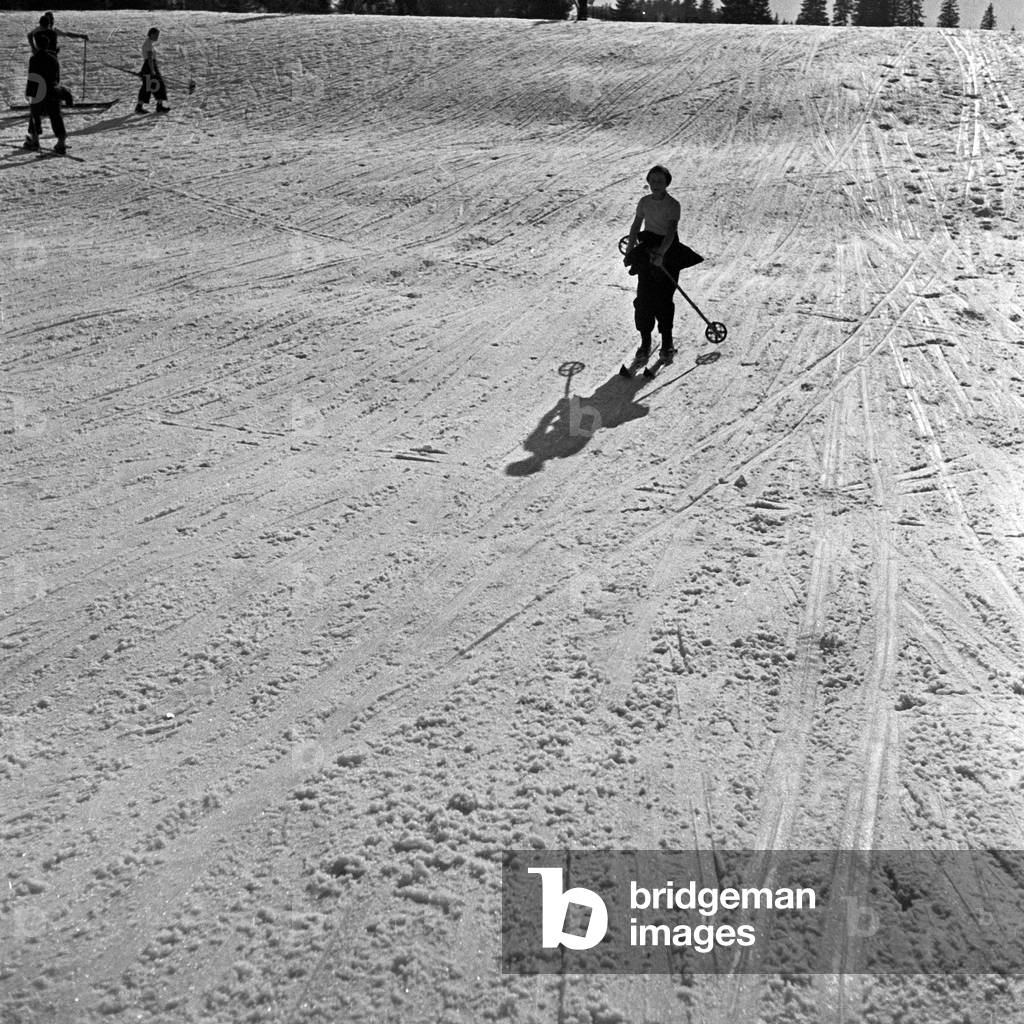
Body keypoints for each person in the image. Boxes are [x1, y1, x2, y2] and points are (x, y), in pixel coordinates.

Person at [621, 165, 703, 363]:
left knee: (664, 300)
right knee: (643, 299)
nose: (656, 184)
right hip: (648, 250)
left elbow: (671, 232)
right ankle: (645, 342)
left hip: (668, 251)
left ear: (667, 183)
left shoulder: (673, 205)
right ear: (648, 181)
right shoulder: (644, 202)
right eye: (653, 180)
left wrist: (661, 254)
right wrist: (631, 248)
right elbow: (635, 226)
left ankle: (667, 343)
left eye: (660, 181)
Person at [23, 30, 67, 154]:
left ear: (36, 45)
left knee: (34, 115)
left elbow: (33, 77)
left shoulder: (34, 59)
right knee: (56, 115)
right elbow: (57, 78)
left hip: (38, 91)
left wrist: (29, 93)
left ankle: (35, 140)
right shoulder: (53, 59)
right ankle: (61, 142)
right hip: (52, 90)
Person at [136, 27, 169, 114]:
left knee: (147, 87)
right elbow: (149, 58)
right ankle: (158, 106)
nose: (158, 37)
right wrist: (152, 70)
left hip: (148, 66)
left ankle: (140, 107)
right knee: (158, 85)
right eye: (156, 35)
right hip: (150, 66)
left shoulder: (148, 43)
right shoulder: (148, 45)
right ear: (151, 34)